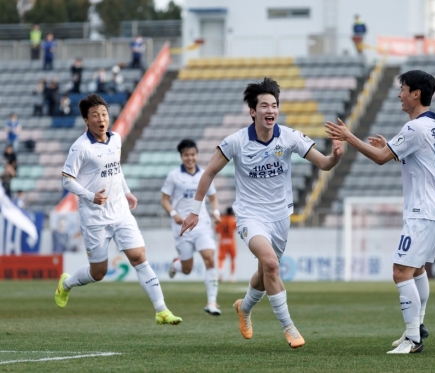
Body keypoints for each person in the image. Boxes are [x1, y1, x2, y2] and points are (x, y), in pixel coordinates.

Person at [180, 77, 343, 348]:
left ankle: (244, 308)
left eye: (275, 105)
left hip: (280, 217)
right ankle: (289, 327)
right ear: (253, 111)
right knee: (271, 264)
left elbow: (324, 164)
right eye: (265, 105)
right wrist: (195, 211)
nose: (271, 110)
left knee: (264, 272)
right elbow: (208, 172)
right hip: (249, 216)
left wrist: (336, 156)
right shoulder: (236, 141)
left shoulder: (289, 136)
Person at [324, 70, 435, 354]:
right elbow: (411, 158)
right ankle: (417, 326)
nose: (399, 95)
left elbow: (380, 159)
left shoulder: (415, 128)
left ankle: (413, 338)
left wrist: (348, 136)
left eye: (403, 89)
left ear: (416, 93)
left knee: (400, 271)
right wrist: (388, 148)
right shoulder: (433, 125)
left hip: (422, 211)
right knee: (416, 270)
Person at [56, 93, 182, 325]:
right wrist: (91, 196)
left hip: (120, 212)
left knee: (139, 256)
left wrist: (126, 191)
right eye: (95, 115)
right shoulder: (80, 148)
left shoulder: (115, 140)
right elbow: (67, 180)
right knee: (99, 273)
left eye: (104, 113)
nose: (101, 119)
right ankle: (66, 284)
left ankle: (161, 310)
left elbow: (116, 169)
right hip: (94, 217)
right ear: (86, 120)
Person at [161, 138, 222, 316]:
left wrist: (216, 212)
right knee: (187, 269)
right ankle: (176, 265)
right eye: (186, 155)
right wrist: (174, 215)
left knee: (210, 259)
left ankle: (212, 302)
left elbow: (212, 197)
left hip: (202, 224)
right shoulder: (174, 176)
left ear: (197, 155)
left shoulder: (205, 174)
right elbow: (164, 200)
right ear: (181, 156)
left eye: (193, 154)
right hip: (182, 227)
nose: (190, 158)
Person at [215, 207, 237, 282]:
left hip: (223, 241)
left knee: (221, 259)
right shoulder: (233, 220)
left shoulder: (221, 219)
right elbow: (236, 228)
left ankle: (221, 273)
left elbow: (216, 230)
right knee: (232, 259)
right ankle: (231, 276)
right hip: (231, 241)